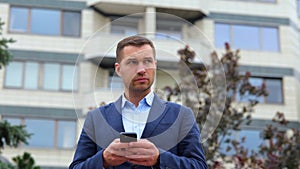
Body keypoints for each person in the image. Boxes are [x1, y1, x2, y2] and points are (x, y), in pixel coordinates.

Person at [69, 35, 208, 169]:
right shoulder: (96, 118)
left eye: (147, 61)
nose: (141, 70)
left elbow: (200, 166)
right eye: (132, 62)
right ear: (118, 69)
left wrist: (160, 158)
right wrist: (103, 159)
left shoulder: (182, 115)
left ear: (155, 65)